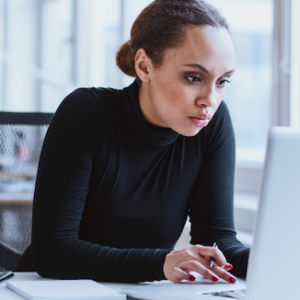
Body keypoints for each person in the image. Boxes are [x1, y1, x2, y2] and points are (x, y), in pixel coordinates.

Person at [27, 0, 250, 284]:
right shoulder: (85, 113)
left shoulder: (212, 124)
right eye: (194, 78)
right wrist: (160, 264)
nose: (211, 100)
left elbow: (217, 240)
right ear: (144, 66)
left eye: (222, 82)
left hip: (144, 289)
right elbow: (51, 252)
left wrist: (275, 257)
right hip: (60, 289)